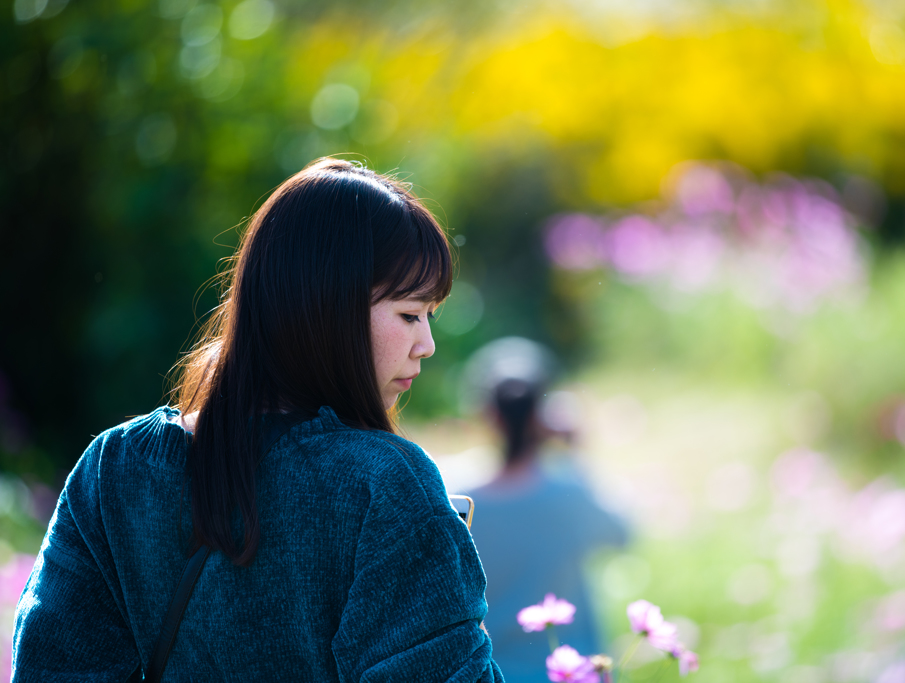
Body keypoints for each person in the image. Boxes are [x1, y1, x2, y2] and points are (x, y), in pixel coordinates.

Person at [12, 158, 504, 682]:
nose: (425, 345)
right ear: (325, 307)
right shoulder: (383, 487)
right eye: (410, 314)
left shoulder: (117, 468)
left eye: (430, 317)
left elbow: (49, 667)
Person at [462, 338, 627, 682]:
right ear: (544, 416)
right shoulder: (569, 493)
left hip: (492, 674)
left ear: (488, 415)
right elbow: (623, 535)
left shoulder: (461, 500)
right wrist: (575, 453)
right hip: (575, 673)